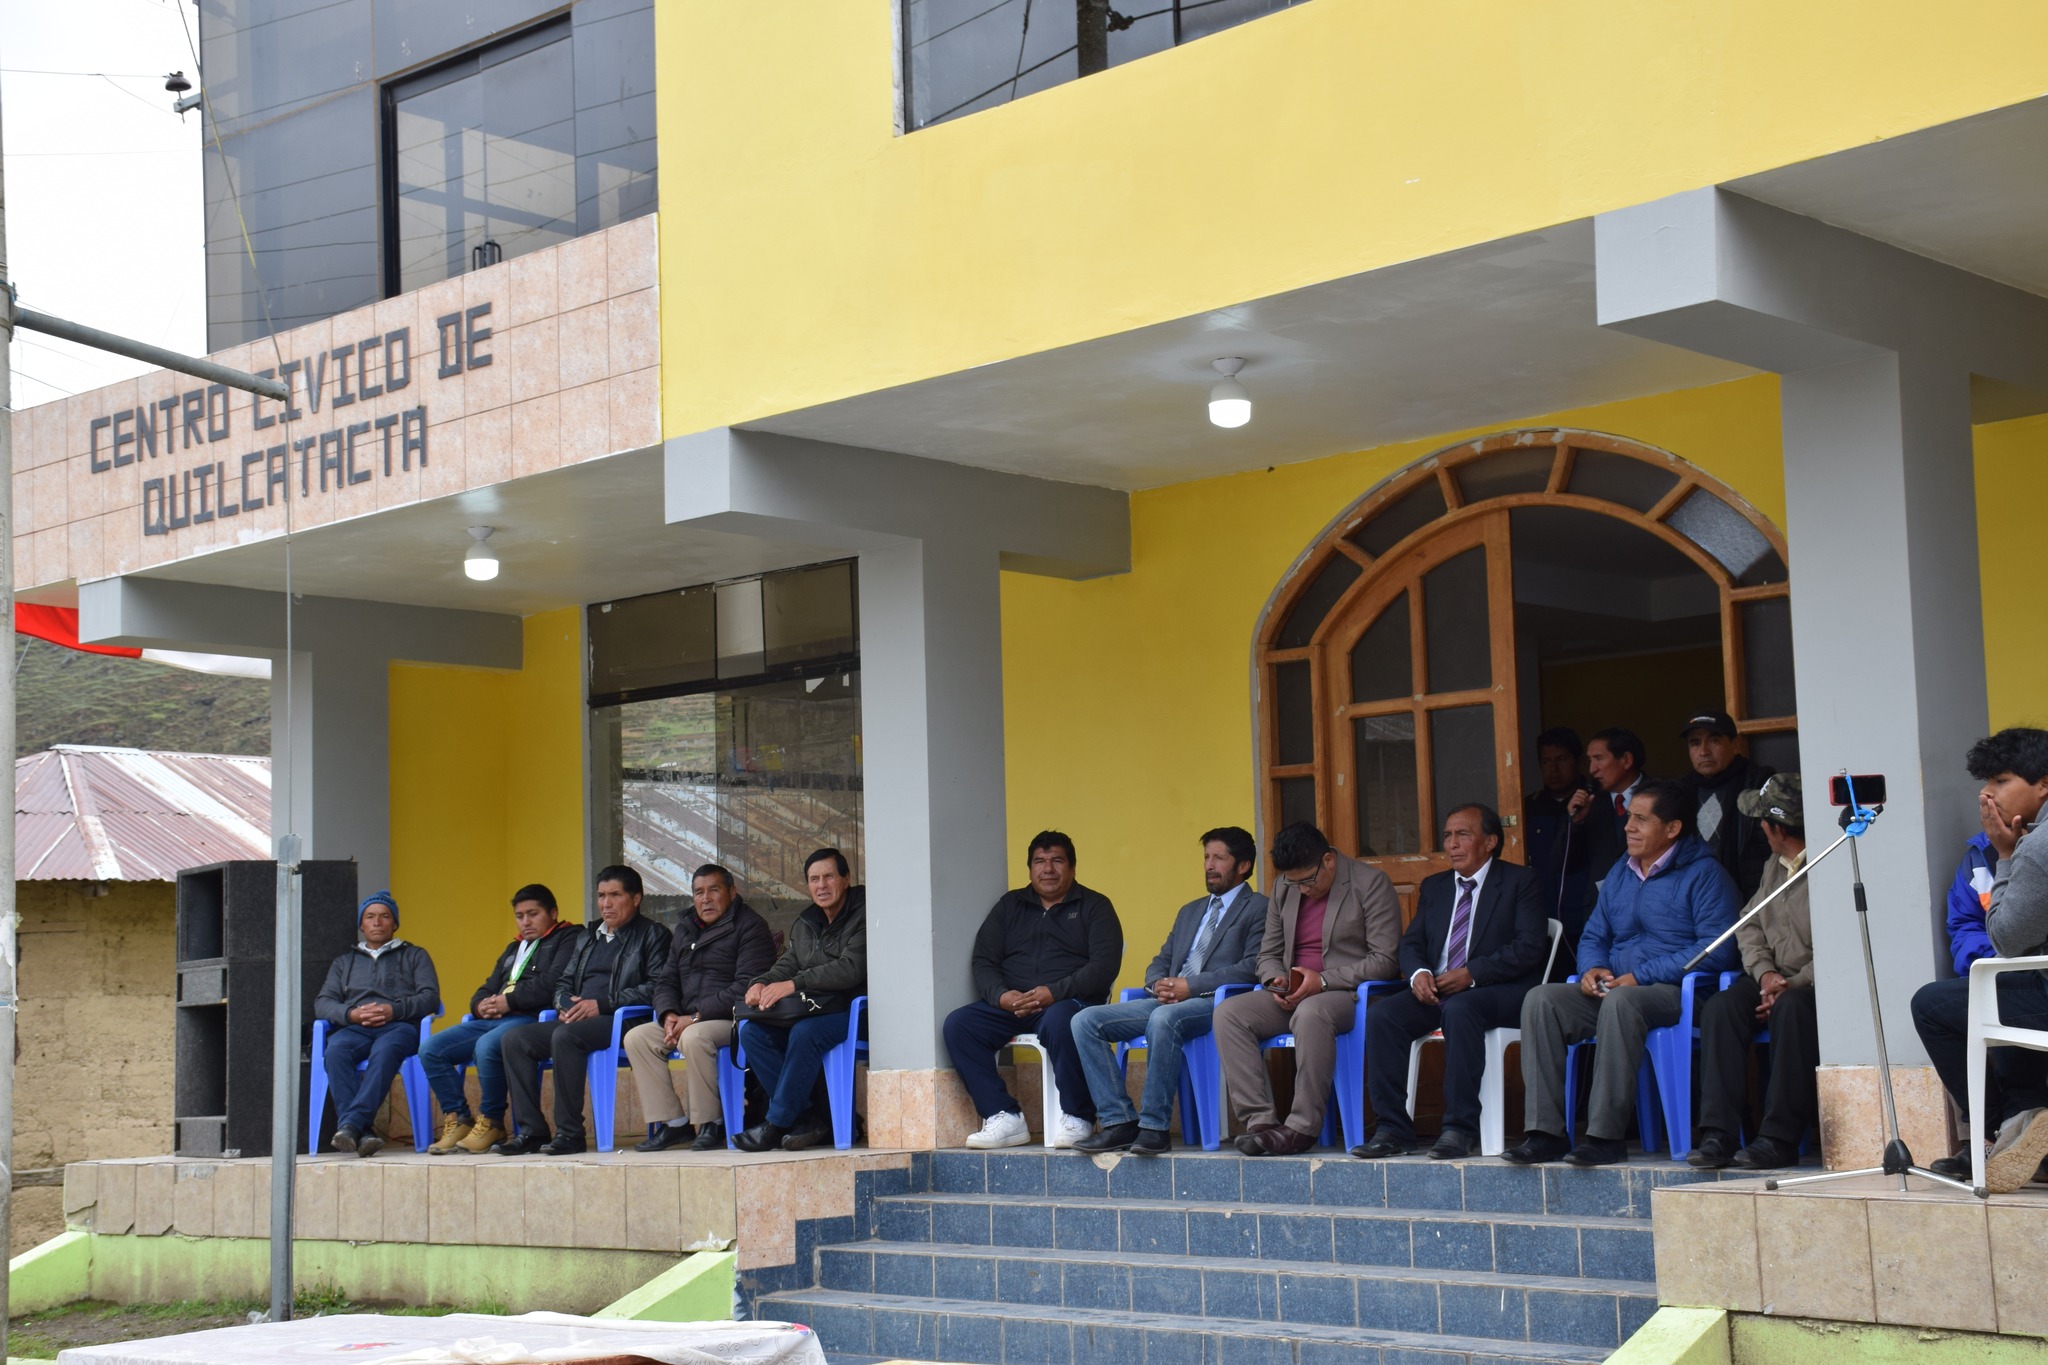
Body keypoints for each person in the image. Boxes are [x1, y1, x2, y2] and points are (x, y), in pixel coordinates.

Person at [1505, 779, 1739, 1166]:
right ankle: (1545, 1132)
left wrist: (1642, 976)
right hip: (1616, 990)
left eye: (1641, 820)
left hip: (1677, 994)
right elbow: (1595, 932)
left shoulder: (1705, 874)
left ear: (1673, 828)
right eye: (1630, 817)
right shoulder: (1621, 871)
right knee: (1541, 1000)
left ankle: (1605, 1136)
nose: (1629, 826)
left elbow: (1717, 948)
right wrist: (1591, 967)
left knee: (1624, 1002)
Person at [1353, 804, 1548, 1159]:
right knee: (1383, 1016)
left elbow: (1529, 947)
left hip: (1499, 991)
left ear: (1490, 841)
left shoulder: (1521, 881)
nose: (1452, 844)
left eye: (1463, 834)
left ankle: (1460, 1128)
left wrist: (1473, 973)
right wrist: (1418, 974)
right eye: (1447, 835)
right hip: (1438, 989)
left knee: (1461, 1009)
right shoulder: (1435, 886)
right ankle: (1393, 1129)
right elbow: (1411, 943)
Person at [1069, 827, 1267, 1155]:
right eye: (1206, 857)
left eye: (1219, 857)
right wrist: (1158, 983)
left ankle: (1155, 1127)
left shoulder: (1258, 907)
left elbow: (1251, 967)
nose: (1209, 865)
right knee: (1084, 1021)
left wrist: (1191, 986)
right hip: (1168, 1000)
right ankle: (1119, 1122)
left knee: (1164, 1019)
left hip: (1216, 1003)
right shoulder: (1190, 911)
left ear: (1243, 865)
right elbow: (1161, 959)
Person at [1913, 728, 2048, 1191]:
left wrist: (2007, 854)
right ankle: (2027, 1125)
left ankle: (2006, 1126)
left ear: (2043, 784)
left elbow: (2008, 937)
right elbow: (1965, 926)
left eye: (2002, 780)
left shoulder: (2032, 846)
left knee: (1934, 1004)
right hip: (2019, 970)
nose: (1987, 794)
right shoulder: (1976, 854)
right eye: (1986, 781)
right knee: (1993, 984)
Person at [1214, 822, 1400, 1156]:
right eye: (1293, 882)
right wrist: (1275, 981)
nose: (1301, 890)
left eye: (1308, 881)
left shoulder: (1370, 884)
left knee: (1312, 1013)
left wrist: (1323, 981)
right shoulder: (1284, 886)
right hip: (1294, 992)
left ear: (1328, 860)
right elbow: (1268, 953)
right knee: (1229, 1013)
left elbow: (1384, 960)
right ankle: (1261, 1124)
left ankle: (1301, 1128)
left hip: (1349, 995)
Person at [947, 831, 1123, 1150]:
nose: (1048, 869)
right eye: (1040, 862)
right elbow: (984, 960)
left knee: (1062, 1020)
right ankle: (1004, 1116)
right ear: (1029, 868)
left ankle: (1078, 1116)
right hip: (1013, 1006)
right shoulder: (1009, 906)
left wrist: (1054, 992)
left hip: (1069, 1002)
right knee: (960, 1025)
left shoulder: (1095, 906)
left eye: (1057, 860)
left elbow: (1103, 966)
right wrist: (1002, 996)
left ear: (1072, 867)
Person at [497, 865, 671, 1156]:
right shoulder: (588, 936)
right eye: (602, 895)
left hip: (625, 1019)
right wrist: (564, 1005)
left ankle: (570, 1133)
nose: (606, 903)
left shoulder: (653, 935)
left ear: (636, 898)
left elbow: (656, 987)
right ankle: (531, 1131)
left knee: (565, 1037)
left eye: (615, 895)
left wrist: (600, 1004)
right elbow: (563, 982)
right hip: (580, 1018)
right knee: (515, 1040)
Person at [1687, 774, 1815, 1171]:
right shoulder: (1773, 867)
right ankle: (1718, 1134)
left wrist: (1790, 983)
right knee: (1720, 1008)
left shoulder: (1826, 865)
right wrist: (1763, 975)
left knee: (1792, 1009)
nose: (1759, 826)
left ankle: (1779, 1138)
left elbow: (1840, 947)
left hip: (1811, 985)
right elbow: (1749, 924)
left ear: (1777, 828)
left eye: (1762, 820)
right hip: (1770, 978)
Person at [624, 863, 777, 1152]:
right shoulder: (685, 928)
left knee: (695, 1037)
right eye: (698, 892)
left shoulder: (750, 926)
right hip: (685, 1017)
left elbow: (746, 986)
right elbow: (666, 980)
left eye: (713, 890)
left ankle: (712, 1123)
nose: (705, 899)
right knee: (638, 1038)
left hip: (730, 1018)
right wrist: (668, 1014)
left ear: (732, 892)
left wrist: (694, 1017)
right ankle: (674, 1124)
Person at [420, 884, 581, 1155]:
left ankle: (492, 1120)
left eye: (533, 914)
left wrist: (510, 1001)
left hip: (531, 1018)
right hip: (493, 1018)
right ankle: (458, 1118)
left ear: (553, 913)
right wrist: (481, 1005)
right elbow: (488, 985)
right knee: (431, 1048)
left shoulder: (568, 938)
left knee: (487, 1045)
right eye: (520, 916)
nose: (526, 922)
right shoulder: (514, 948)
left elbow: (553, 983)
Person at [733, 848, 869, 1152]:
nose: (821, 885)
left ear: (846, 879)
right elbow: (789, 962)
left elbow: (851, 969)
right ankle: (808, 1118)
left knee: (804, 1033)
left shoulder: (865, 913)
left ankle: (777, 1123)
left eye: (829, 877)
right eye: (813, 879)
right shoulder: (808, 921)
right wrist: (761, 983)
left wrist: (793, 984)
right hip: (815, 1009)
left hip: (857, 1011)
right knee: (752, 1032)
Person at [313, 892, 441, 1158]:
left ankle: (350, 1125)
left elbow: (430, 998)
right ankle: (363, 1131)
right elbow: (323, 1002)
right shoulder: (344, 962)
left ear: (394, 923)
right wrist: (351, 1015)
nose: (377, 922)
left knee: (385, 1051)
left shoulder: (415, 955)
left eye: (385, 916)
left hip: (400, 1027)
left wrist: (393, 1010)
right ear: (361, 924)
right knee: (336, 1050)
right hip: (355, 1028)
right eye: (370, 917)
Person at [1677, 710, 1775, 902]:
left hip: (1752, 900)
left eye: (1714, 740)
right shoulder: (1680, 792)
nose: (1704, 751)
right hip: (1696, 899)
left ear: (1735, 744)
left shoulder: (1759, 784)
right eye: (1695, 743)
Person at [1571, 727, 1647, 946]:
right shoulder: (1589, 802)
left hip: (1647, 904)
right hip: (1599, 909)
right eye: (1589, 760)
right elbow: (1563, 863)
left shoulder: (1659, 794)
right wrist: (1575, 823)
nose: (1592, 769)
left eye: (1599, 759)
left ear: (1626, 759)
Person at [1524, 728, 1591, 952]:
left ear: (1578, 761)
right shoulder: (1529, 807)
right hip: (1541, 914)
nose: (1553, 769)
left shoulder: (1594, 801)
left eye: (1561, 760)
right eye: (1546, 762)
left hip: (1585, 912)